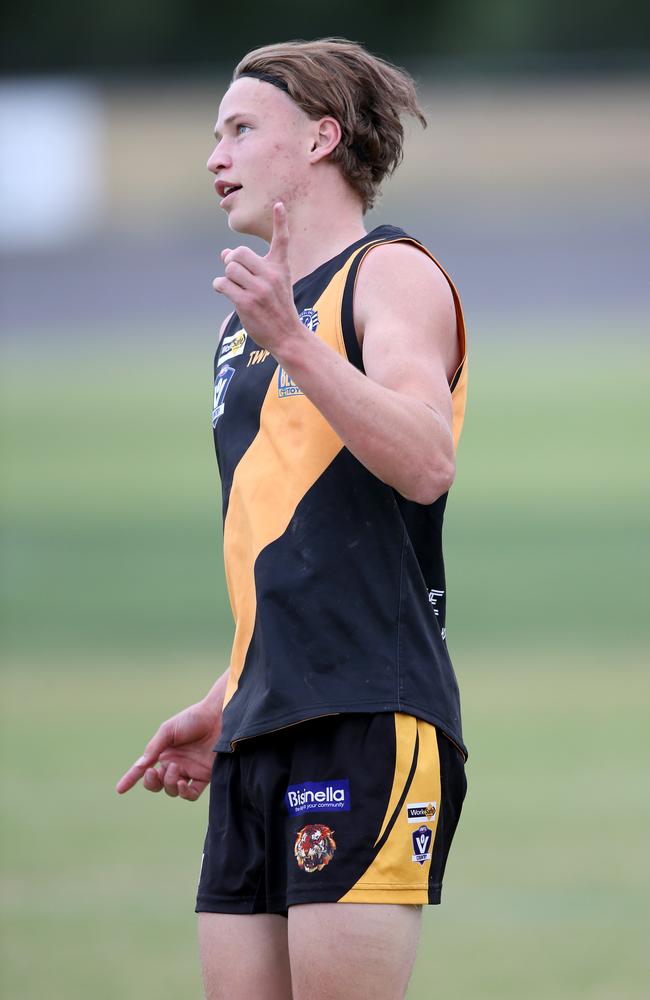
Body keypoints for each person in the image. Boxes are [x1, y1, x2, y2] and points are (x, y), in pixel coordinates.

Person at [117, 37, 469, 1000]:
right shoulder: (247, 327)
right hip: (260, 728)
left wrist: (298, 343)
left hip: (365, 712)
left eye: (239, 129)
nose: (213, 155)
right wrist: (232, 691)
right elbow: (289, 533)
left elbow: (426, 462)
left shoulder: (390, 275)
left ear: (321, 137)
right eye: (214, 133)